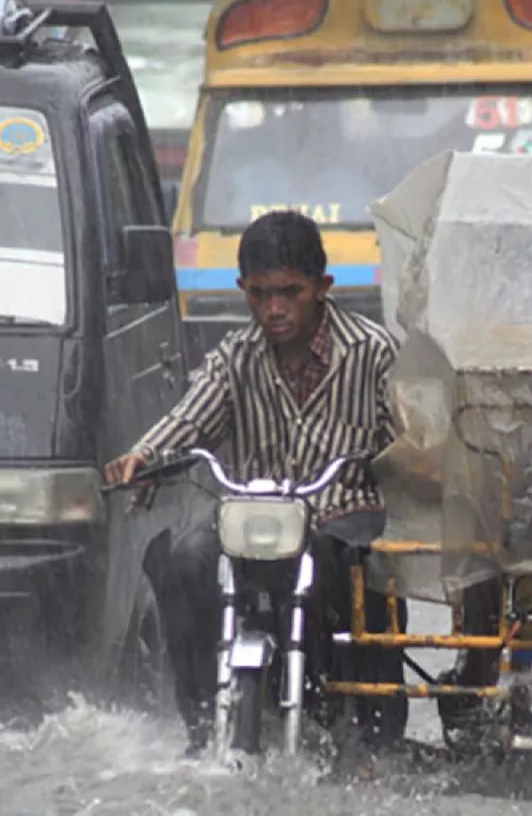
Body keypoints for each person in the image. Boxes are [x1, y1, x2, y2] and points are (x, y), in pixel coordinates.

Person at [103, 210, 409, 757]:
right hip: (249, 518)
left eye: (290, 292)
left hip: (340, 517)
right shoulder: (234, 357)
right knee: (183, 561)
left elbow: (409, 442)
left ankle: (367, 728)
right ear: (243, 290)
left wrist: (407, 465)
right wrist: (144, 455)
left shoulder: (372, 351)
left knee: (361, 572)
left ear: (321, 287)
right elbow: (190, 417)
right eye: (261, 293)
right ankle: (200, 723)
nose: (275, 308)